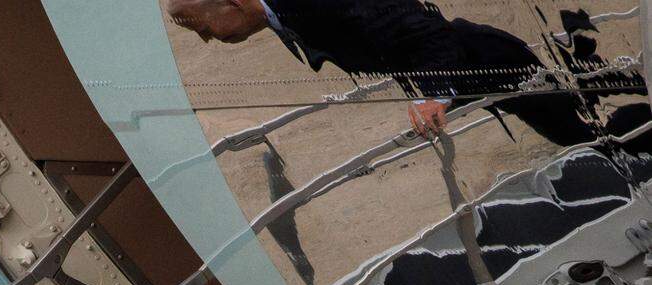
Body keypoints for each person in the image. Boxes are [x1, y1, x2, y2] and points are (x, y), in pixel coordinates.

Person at [166, 0, 596, 144]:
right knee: (578, 131)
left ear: (234, 4)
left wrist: (435, 95)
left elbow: (423, 28)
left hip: (493, 65)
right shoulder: (284, 13)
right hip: (483, 75)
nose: (208, 40)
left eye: (205, 28)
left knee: (587, 131)